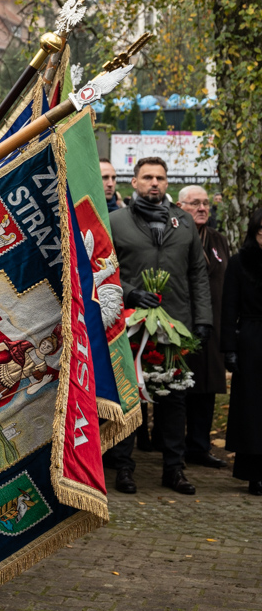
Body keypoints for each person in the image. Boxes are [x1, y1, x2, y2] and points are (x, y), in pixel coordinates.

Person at [104, 157, 213, 495]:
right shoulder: (115, 221)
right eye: (147, 177)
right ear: (133, 182)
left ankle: (174, 468)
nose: (155, 183)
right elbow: (101, 270)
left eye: (160, 178)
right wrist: (129, 293)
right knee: (130, 396)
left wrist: (203, 319)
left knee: (174, 398)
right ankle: (123, 467)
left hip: (175, 324)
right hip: (129, 324)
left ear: (168, 184)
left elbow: (198, 273)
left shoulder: (183, 221)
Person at [176, 185, 230, 469]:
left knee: (207, 387)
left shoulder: (219, 240)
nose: (202, 208)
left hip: (214, 325)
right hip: (181, 323)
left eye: (206, 203)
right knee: (178, 386)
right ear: (180, 206)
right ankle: (171, 447)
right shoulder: (173, 236)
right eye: (195, 203)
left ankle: (199, 446)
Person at [223, 208, 262, 496]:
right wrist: (230, 348)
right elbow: (228, 308)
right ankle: (253, 474)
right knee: (252, 409)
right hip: (252, 341)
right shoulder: (239, 263)